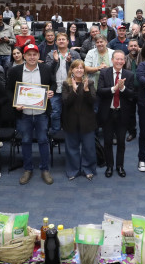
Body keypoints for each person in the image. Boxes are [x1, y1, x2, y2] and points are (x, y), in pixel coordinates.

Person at [8, 43, 56, 185]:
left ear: (38, 55)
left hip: (41, 112)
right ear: (24, 56)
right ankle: (28, 169)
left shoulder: (45, 69)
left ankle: (44, 169)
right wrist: (15, 102)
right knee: (26, 141)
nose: (32, 57)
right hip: (24, 114)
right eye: (29, 54)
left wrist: (51, 91)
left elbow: (53, 84)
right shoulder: (15, 71)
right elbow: (9, 90)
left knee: (43, 140)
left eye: (34, 54)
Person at [98, 50, 137, 178]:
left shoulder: (129, 75)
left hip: (122, 114)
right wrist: (114, 89)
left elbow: (132, 95)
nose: (119, 61)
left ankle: (120, 166)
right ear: (112, 60)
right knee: (108, 142)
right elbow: (100, 91)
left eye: (122, 59)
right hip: (107, 113)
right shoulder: (104, 73)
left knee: (121, 142)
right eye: (117, 59)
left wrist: (123, 89)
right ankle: (109, 166)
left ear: (124, 61)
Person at [61, 59, 98, 181]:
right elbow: (66, 102)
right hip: (70, 121)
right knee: (72, 148)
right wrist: (75, 90)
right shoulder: (66, 84)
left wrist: (86, 90)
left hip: (87, 122)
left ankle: (88, 169)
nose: (79, 70)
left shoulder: (90, 83)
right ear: (71, 70)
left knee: (89, 148)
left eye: (81, 68)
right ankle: (73, 170)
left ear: (84, 70)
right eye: (76, 68)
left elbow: (93, 101)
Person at [45, 33, 81, 135]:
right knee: (55, 113)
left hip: (70, 88)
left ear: (67, 41)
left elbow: (79, 70)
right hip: (55, 89)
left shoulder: (74, 54)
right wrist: (55, 61)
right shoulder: (51, 54)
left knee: (72, 113)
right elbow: (47, 70)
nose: (61, 41)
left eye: (63, 39)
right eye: (59, 39)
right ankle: (55, 135)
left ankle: (71, 134)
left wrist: (70, 62)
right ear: (56, 42)